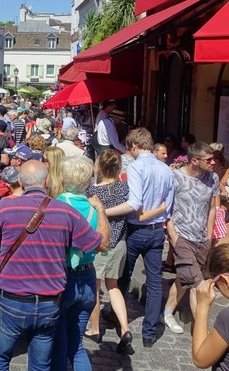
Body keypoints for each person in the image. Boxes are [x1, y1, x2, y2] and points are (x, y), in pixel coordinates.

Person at [0, 160, 107, 370]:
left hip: (12, 299)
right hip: (48, 302)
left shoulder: (4, 207)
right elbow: (100, 244)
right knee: (41, 365)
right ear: (47, 181)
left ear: (20, 182)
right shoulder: (66, 212)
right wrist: (101, 210)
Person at [105, 127, 175, 348]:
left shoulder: (136, 167)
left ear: (134, 146)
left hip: (136, 230)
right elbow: (168, 207)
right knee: (154, 282)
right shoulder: (166, 169)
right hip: (157, 231)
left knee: (123, 277)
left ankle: (119, 319)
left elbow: (134, 204)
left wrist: (103, 212)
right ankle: (149, 333)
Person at [52, 155, 112, 371]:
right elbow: (104, 243)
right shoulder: (93, 208)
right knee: (76, 345)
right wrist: (101, 210)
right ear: (88, 181)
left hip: (63, 277)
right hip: (87, 276)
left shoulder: (57, 205)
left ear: (62, 178)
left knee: (58, 345)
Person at [163, 142, 220, 336]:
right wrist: (173, 236)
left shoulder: (213, 178)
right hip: (182, 236)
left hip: (202, 237)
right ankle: (203, 333)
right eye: (209, 159)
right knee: (197, 284)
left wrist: (209, 236)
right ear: (194, 161)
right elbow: (165, 208)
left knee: (184, 278)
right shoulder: (175, 177)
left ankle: (167, 312)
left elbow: (212, 208)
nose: (213, 162)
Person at [84, 149, 133, 353]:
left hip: (101, 243)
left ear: (99, 167)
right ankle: (125, 329)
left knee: (95, 287)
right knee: (113, 286)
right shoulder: (125, 188)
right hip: (119, 242)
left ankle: (95, 329)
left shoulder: (93, 192)